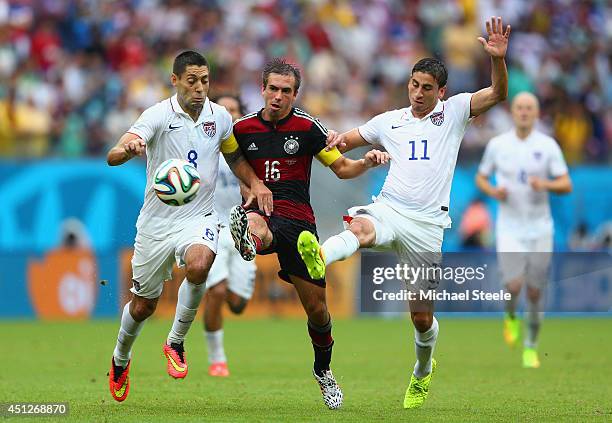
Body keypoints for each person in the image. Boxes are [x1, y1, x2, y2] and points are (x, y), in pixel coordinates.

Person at [298, 17, 512, 409]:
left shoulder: (455, 112)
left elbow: (498, 93)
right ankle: (318, 257)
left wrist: (497, 59)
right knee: (361, 227)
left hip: (428, 226)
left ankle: (422, 370)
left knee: (420, 318)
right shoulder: (389, 121)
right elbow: (345, 141)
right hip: (391, 208)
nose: (417, 93)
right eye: (414, 85)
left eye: (426, 88)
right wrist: (328, 141)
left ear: (440, 91)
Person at [105, 51, 272, 402]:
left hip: (199, 218)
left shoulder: (220, 117)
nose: (199, 88)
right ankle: (120, 359)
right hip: (156, 223)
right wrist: (130, 148)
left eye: (205, 81)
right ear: (176, 80)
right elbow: (114, 154)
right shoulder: (157, 115)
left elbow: (235, 156)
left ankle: (176, 341)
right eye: (192, 81)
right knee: (142, 306)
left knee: (199, 265)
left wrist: (254, 183)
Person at [229, 58, 389, 410]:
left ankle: (323, 369)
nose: (278, 97)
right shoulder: (241, 129)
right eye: (272, 89)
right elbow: (230, 158)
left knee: (318, 312)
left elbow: (343, 168)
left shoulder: (308, 127)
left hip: (300, 223)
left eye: (286, 91)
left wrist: (366, 162)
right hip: (264, 211)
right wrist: (253, 185)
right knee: (255, 221)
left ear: (295, 94)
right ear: (262, 89)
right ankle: (249, 240)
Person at [475, 92, 572, 368]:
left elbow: (566, 184)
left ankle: (530, 347)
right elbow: (481, 178)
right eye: (520, 107)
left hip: (541, 228)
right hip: (509, 228)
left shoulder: (548, 145)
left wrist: (546, 185)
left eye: (530, 108)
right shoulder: (497, 145)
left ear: (537, 112)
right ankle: (510, 316)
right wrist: (495, 191)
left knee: (535, 291)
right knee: (513, 285)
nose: (524, 112)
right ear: (512, 112)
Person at [201, 94, 256, 377]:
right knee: (217, 292)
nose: (228, 114)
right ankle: (217, 359)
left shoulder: (251, 151)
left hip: (242, 230)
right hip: (212, 228)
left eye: (233, 109)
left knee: (236, 303)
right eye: (223, 110)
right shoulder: (204, 147)